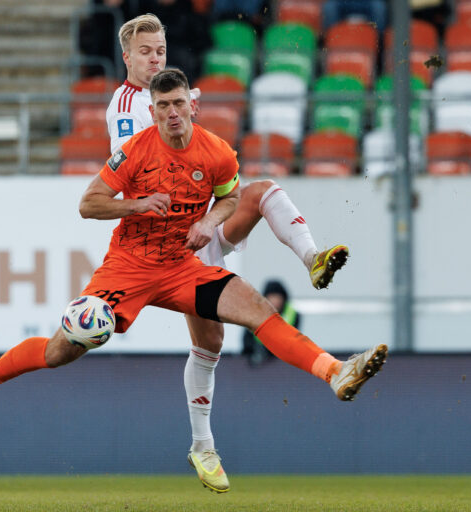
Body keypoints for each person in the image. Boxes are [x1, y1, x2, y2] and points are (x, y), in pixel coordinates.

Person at [0, 69, 388, 493]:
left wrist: (212, 220)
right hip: (128, 266)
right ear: (151, 111)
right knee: (61, 351)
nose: (171, 113)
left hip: (181, 265)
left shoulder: (216, 152)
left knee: (256, 309)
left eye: (177, 103)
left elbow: (231, 198)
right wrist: (135, 205)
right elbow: (88, 203)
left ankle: (335, 371)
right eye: (162, 106)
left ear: (192, 105)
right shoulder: (135, 152)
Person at [105, 14, 349, 492]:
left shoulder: (170, 97)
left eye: (161, 49)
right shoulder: (128, 104)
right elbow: (134, 169)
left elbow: (203, 163)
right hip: (168, 247)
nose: (156, 58)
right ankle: (202, 444)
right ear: (127, 58)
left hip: (202, 225)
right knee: (210, 345)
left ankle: (314, 258)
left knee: (260, 191)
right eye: (146, 51)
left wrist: (210, 211)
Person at [242, 279, 299, 364]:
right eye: (272, 297)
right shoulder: (255, 314)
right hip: (258, 356)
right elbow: (247, 339)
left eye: (278, 297)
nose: (275, 301)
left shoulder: (293, 314)